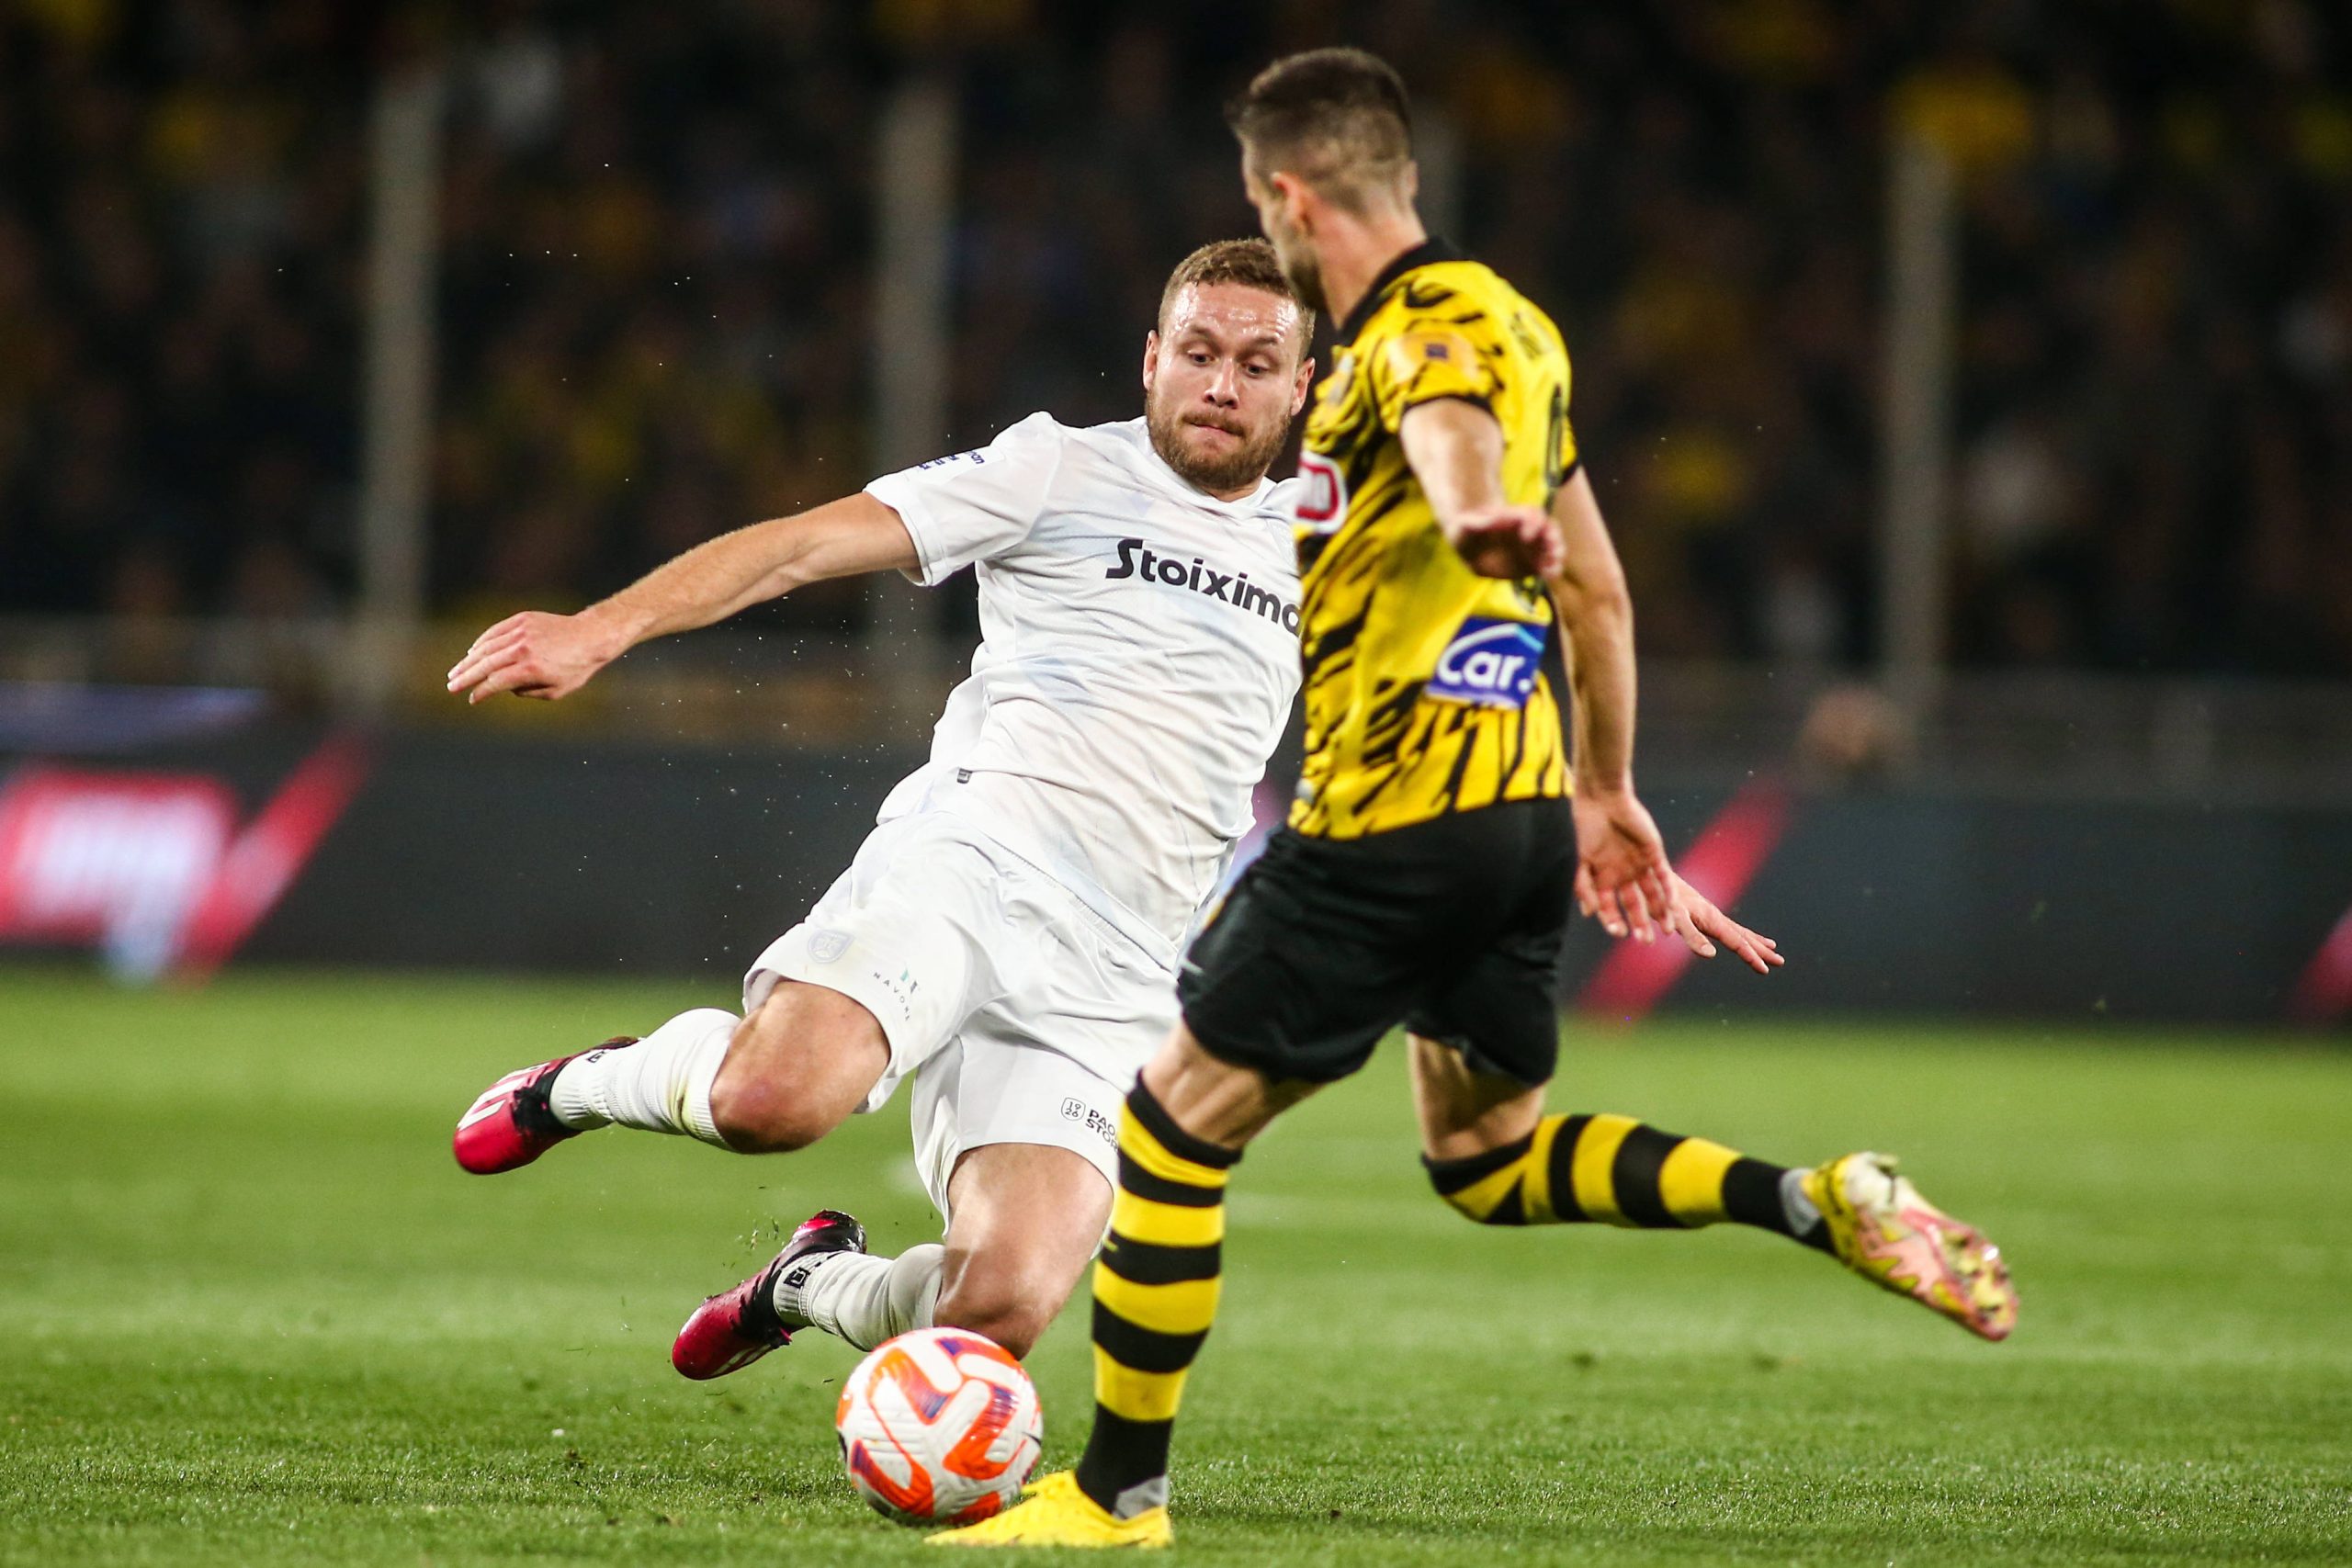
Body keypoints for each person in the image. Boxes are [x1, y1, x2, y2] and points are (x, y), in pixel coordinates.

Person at [935, 50, 2016, 1551]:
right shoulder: (1521, 328)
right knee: (1488, 1159)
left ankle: (1118, 1497)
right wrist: (1607, 789)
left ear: (1289, 195)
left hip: (1390, 822)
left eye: (1268, 203)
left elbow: (1453, 451)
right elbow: (1605, 591)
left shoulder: (1416, 334)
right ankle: (1816, 1198)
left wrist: (1470, 508)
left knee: (1169, 1135)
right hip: (1515, 822)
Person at [446, 240, 1331, 1371]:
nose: (1222, 384)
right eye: (1199, 353)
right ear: (1152, 358)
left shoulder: (1331, 545)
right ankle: (583, 1084)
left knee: (999, 1308)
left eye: (1257, 364)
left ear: (1300, 387)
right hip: (976, 863)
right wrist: (600, 628)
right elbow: (805, 545)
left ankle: (810, 1282)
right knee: (774, 1101)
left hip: (1124, 966)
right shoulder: (1054, 469)